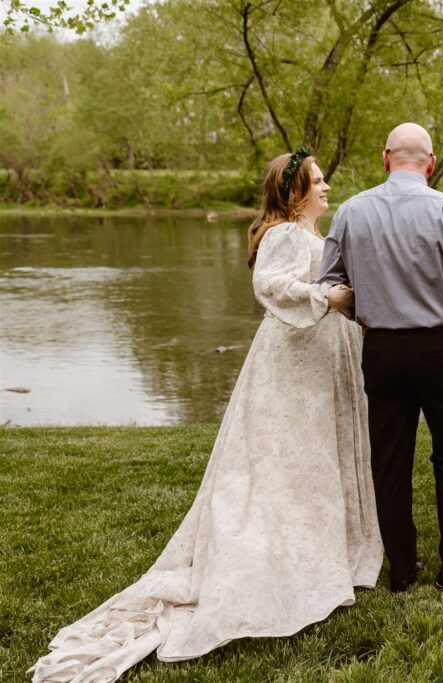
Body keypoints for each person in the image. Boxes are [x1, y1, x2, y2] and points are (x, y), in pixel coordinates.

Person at [29, 150, 383, 682]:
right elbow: (271, 287)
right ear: (294, 192)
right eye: (318, 181)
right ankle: (277, 558)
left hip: (319, 356)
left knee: (311, 457)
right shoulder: (284, 234)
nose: (327, 187)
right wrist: (328, 297)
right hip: (293, 362)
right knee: (287, 458)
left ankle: (328, 545)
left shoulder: (309, 234)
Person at [319, 123, 443, 593]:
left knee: (390, 462)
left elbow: (329, 282)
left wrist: (365, 309)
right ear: (431, 163)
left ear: (385, 158)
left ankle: (401, 570)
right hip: (440, 347)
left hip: (382, 350)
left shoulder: (351, 211)